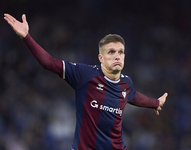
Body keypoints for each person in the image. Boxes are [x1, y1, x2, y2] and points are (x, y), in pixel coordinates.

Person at [4, 13, 168, 150]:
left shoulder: (126, 83)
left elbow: (133, 96)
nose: (117, 56)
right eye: (111, 52)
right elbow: (49, 63)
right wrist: (26, 37)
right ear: (101, 58)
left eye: (121, 52)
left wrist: (155, 103)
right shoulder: (85, 74)